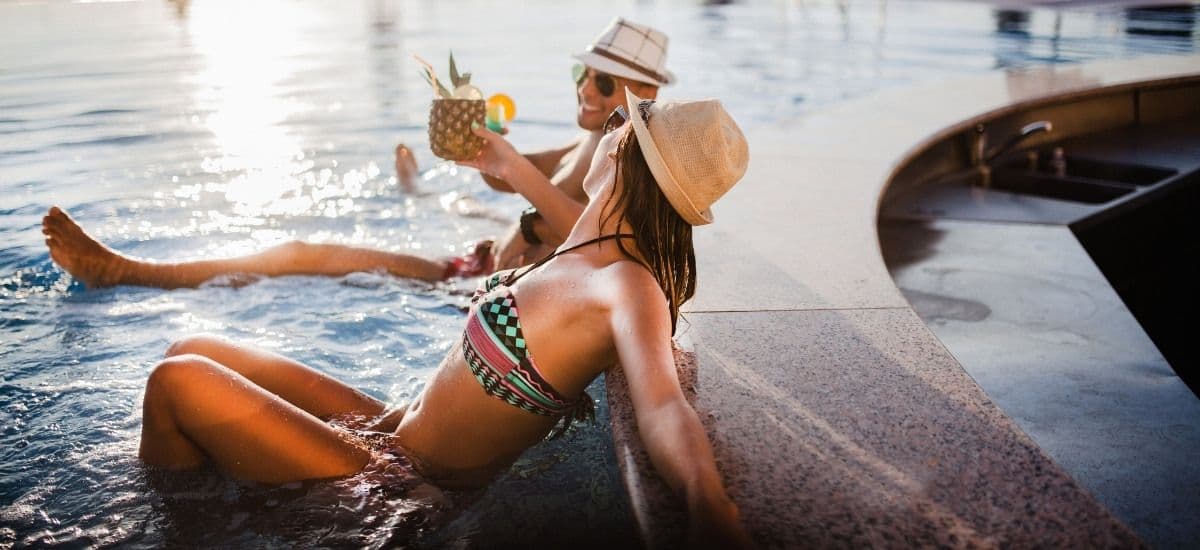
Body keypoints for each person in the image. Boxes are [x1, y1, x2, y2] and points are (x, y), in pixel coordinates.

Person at [135, 91, 752, 546]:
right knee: (191, 346)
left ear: (624, 155)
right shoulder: (579, 253)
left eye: (618, 123)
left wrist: (710, 503)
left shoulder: (624, 281)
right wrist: (505, 165)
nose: (607, 128)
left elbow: (663, 405)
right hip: (389, 430)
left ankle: (188, 528)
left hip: (400, 483)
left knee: (177, 382)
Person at [41, 17, 673, 289]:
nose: (583, 89)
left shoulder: (624, 159)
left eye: (601, 81)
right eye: (580, 73)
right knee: (302, 248)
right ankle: (412, 188)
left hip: (477, 288)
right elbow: (510, 185)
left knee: (296, 254)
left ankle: (131, 273)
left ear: (642, 93)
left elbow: (597, 238)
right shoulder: (588, 139)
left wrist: (509, 167)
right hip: (471, 267)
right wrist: (478, 149)